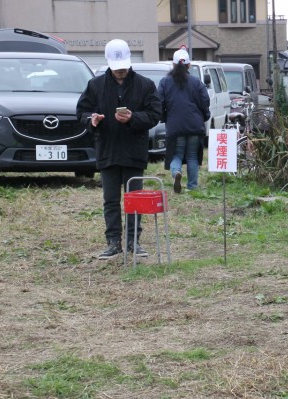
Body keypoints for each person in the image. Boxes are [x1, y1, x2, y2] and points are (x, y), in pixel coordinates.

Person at [77, 39, 162, 260]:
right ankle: (113, 242)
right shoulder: (95, 86)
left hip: (134, 151)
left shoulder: (145, 85)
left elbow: (155, 114)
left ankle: (134, 241)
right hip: (108, 149)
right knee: (111, 200)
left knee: (135, 197)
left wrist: (134, 117)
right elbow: (82, 112)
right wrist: (92, 119)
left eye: (123, 66)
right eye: (117, 68)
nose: (121, 71)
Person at [158, 49, 210, 193]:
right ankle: (192, 186)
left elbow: (159, 103)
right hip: (195, 125)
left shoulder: (164, 82)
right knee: (192, 156)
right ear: (189, 65)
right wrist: (204, 116)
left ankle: (176, 173)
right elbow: (205, 101)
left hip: (175, 126)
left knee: (177, 154)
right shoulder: (196, 82)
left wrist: (164, 117)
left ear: (173, 64)